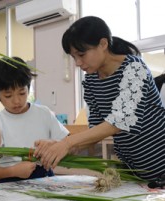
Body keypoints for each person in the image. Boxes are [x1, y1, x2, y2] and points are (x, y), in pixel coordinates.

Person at [34, 16, 165, 182]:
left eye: (81, 54)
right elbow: (95, 132)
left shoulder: (135, 68)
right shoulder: (91, 80)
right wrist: (59, 144)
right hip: (135, 170)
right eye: (74, 57)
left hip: (161, 163)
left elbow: (119, 122)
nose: (78, 63)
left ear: (103, 44)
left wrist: (67, 144)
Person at [0, 57, 69, 183]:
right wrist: (13, 171)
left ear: (29, 88)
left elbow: (68, 143)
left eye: (22, 93)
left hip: (45, 178)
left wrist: (53, 144)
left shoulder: (43, 113)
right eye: (8, 95)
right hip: (11, 181)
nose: (17, 101)